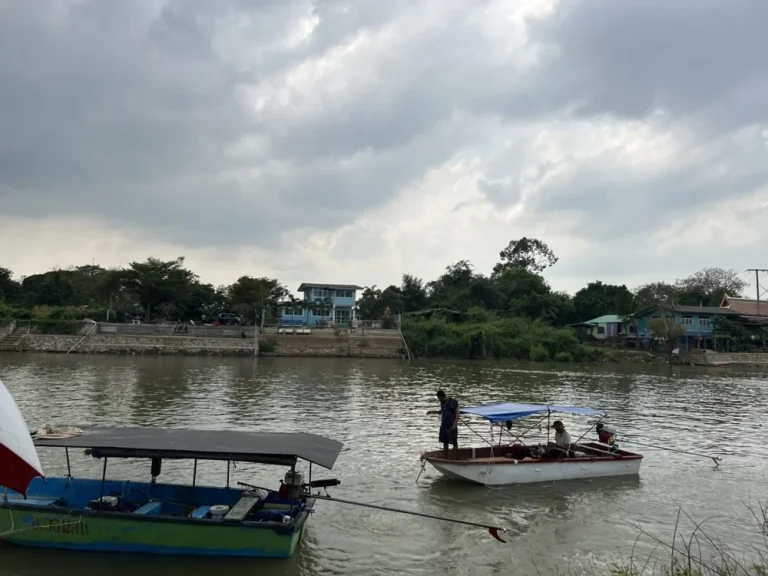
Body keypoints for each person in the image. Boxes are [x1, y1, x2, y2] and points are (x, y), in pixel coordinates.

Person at [427, 390, 460, 459]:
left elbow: (457, 414)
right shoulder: (442, 403)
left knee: (454, 443)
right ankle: (445, 458)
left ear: (442, 396)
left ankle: (455, 458)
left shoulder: (453, 402)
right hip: (444, 426)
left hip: (451, 425)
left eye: (439, 398)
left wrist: (455, 424)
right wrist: (432, 412)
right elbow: (441, 411)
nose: (439, 400)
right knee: (445, 443)